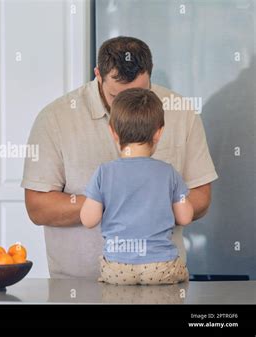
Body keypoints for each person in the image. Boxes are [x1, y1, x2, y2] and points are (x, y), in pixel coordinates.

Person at [22, 36, 218, 279]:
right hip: (78, 290)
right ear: (98, 75)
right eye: (118, 97)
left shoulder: (182, 112)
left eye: (139, 94)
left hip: (161, 285)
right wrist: (125, 202)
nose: (130, 108)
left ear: (151, 75)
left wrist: (135, 205)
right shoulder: (54, 118)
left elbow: (201, 196)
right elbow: (38, 207)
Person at [80, 88, 192, 285]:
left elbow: (89, 220)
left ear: (113, 132)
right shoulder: (169, 173)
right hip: (161, 267)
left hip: (117, 268)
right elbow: (185, 217)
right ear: (159, 133)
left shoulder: (103, 173)